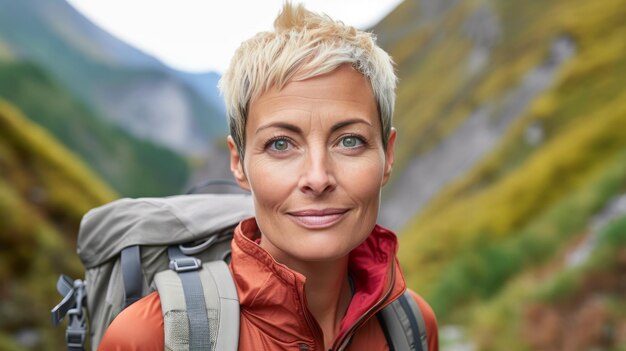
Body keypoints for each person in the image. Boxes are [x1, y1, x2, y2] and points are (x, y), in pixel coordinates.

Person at [98, 3, 438, 350]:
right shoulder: (150, 337)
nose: (318, 178)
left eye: (349, 141)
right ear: (238, 162)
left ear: (388, 155)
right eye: (280, 144)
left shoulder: (412, 327)